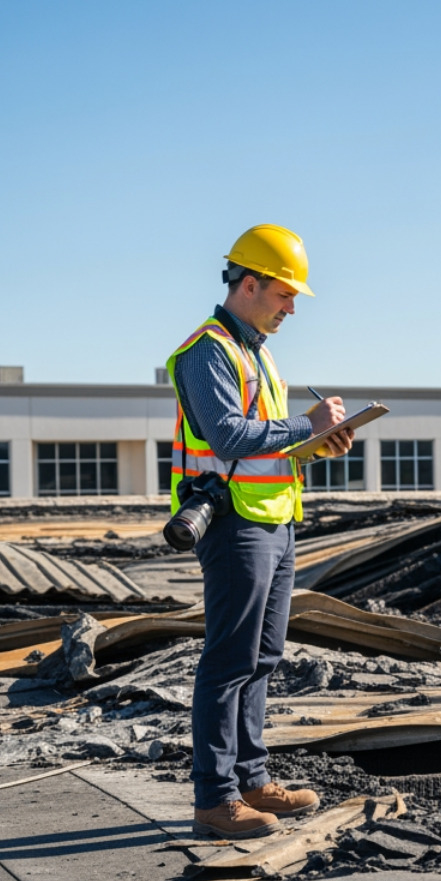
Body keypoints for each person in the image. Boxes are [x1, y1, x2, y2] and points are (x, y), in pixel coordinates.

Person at [165, 224, 353, 839]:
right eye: (284, 295)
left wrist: (316, 444)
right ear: (249, 284)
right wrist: (305, 423)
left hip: (274, 519)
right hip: (235, 523)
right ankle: (215, 800)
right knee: (228, 659)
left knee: (262, 657)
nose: (292, 308)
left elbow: (266, 447)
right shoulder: (208, 350)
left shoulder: (257, 353)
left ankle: (251, 781)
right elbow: (227, 437)